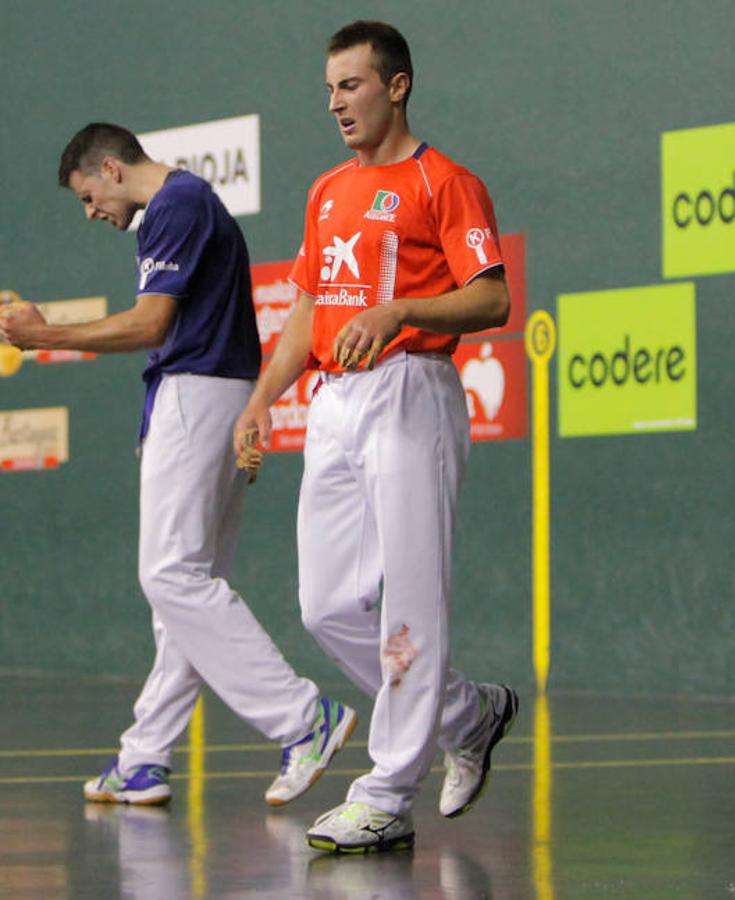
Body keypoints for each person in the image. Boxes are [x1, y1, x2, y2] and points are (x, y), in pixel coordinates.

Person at [0, 122, 356, 808]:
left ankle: (303, 718)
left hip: (197, 397)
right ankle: (144, 758)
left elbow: (151, 325)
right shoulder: (183, 207)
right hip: (207, 397)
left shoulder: (175, 204)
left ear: (110, 166)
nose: (90, 211)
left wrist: (43, 336)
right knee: (186, 594)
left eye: (86, 195)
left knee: (168, 575)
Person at [232, 21, 518, 853]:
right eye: (328, 89)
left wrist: (400, 310)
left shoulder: (445, 182)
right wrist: (261, 401)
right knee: (324, 605)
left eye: (351, 86)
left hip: (411, 393)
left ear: (396, 86)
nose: (335, 103)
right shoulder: (326, 192)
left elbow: (491, 299)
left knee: (411, 600)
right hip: (333, 402)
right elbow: (309, 313)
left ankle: (388, 789)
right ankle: (470, 715)